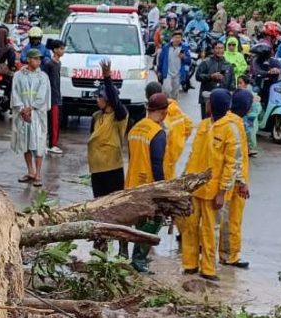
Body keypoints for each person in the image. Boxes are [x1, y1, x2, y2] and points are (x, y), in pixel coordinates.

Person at [181, 89, 239, 281]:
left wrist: (222, 192)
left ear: (213, 105)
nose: (205, 104)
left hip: (213, 192)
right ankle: (190, 264)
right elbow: (193, 155)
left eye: (208, 101)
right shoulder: (204, 125)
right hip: (195, 187)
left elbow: (232, 164)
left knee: (208, 231)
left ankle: (208, 269)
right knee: (190, 227)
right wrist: (184, 181)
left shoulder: (230, 129)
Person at [125, 93, 171, 272]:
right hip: (148, 187)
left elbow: (131, 156)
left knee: (135, 221)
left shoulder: (135, 128)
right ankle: (138, 260)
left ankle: (125, 255)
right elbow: (157, 164)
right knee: (154, 221)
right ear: (163, 111)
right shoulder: (157, 133)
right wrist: (163, 190)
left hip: (131, 182)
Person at [87, 58, 130, 199]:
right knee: (98, 202)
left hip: (112, 168)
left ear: (108, 100)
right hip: (96, 169)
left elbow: (115, 100)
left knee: (113, 202)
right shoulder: (96, 116)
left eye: (100, 97)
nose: (97, 100)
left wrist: (107, 78)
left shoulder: (119, 116)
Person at [220, 89, 252, 268]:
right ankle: (232, 255)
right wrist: (242, 182)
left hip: (226, 178)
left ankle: (225, 254)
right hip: (234, 182)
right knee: (233, 220)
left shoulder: (226, 121)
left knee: (224, 219)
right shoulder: (237, 126)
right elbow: (237, 156)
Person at [11, 48, 51, 185]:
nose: (38, 61)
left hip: (37, 115)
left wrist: (31, 108)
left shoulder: (43, 77)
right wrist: (22, 109)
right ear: (28, 59)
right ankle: (30, 171)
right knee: (26, 142)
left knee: (39, 143)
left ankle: (38, 174)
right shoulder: (18, 75)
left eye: (39, 59)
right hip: (24, 114)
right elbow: (15, 93)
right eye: (35, 58)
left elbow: (42, 96)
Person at [196, 41, 234, 119]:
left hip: (222, 99)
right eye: (217, 48)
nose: (219, 50)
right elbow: (198, 76)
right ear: (213, 50)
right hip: (207, 99)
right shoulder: (206, 62)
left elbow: (232, 82)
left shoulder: (229, 65)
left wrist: (231, 94)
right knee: (206, 123)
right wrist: (211, 77)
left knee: (220, 123)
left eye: (221, 48)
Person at [43, 39, 66, 155]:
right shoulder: (49, 64)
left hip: (57, 95)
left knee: (57, 121)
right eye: (61, 49)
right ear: (55, 50)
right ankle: (52, 144)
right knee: (53, 122)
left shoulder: (58, 63)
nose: (63, 51)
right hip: (52, 97)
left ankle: (53, 143)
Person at [157, 29, 190, 99]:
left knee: (175, 94)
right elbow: (161, 60)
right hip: (167, 73)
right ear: (172, 38)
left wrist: (184, 57)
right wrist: (159, 71)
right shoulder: (166, 47)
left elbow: (189, 61)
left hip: (178, 74)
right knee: (166, 89)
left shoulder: (184, 48)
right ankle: (166, 104)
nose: (177, 39)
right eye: (176, 37)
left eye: (179, 38)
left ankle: (173, 107)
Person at [236, 75, 261, 155]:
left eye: (240, 83)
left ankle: (249, 149)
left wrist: (250, 116)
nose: (238, 85)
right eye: (237, 83)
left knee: (249, 133)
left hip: (250, 118)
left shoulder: (252, 95)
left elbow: (256, 108)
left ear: (246, 84)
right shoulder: (238, 93)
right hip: (241, 117)